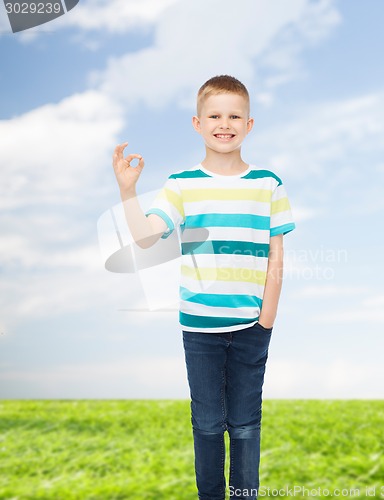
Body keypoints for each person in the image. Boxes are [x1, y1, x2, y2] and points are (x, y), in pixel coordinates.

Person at [112, 75, 295, 500]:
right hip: (200, 330)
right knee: (209, 424)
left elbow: (276, 254)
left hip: (252, 326)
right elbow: (145, 237)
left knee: (246, 424)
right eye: (215, 115)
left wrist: (266, 318)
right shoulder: (181, 184)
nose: (224, 123)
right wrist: (128, 191)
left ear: (249, 125)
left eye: (235, 115)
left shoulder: (268, 184)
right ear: (197, 123)